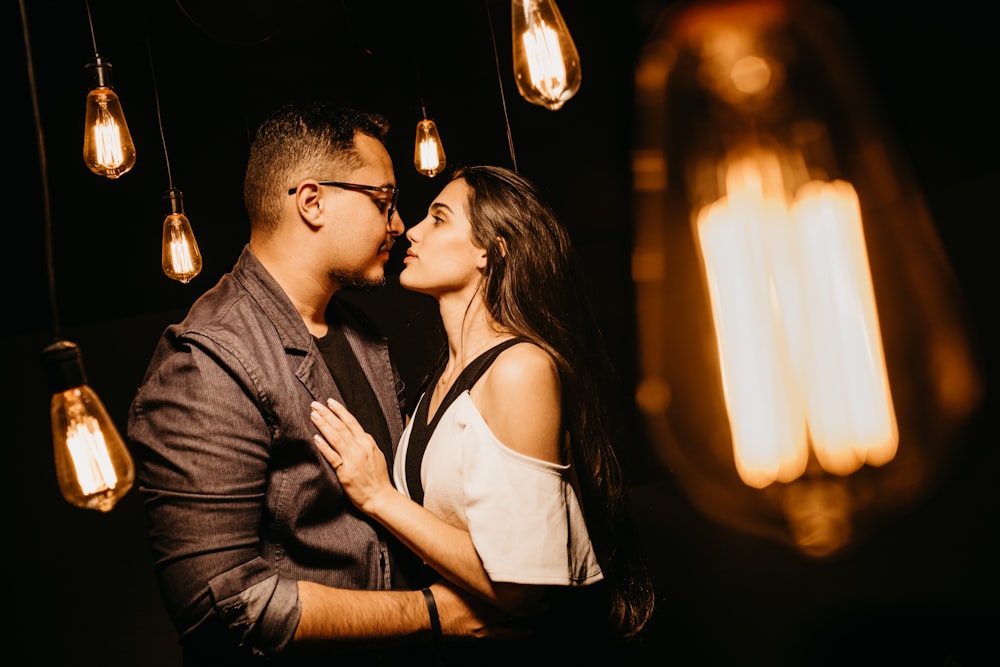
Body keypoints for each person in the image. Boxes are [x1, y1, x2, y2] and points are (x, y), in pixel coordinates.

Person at [127, 103, 502, 666]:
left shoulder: (359, 333)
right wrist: (437, 614)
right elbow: (225, 608)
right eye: (383, 200)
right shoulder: (208, 360)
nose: (398, 224)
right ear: (312, 201)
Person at [309, 165, 656, 661]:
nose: (412, 230)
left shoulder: (520, 368)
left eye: (439, 218)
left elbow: (522, 590)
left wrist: (378, 496)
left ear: (490, 251)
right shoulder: (438, 382)